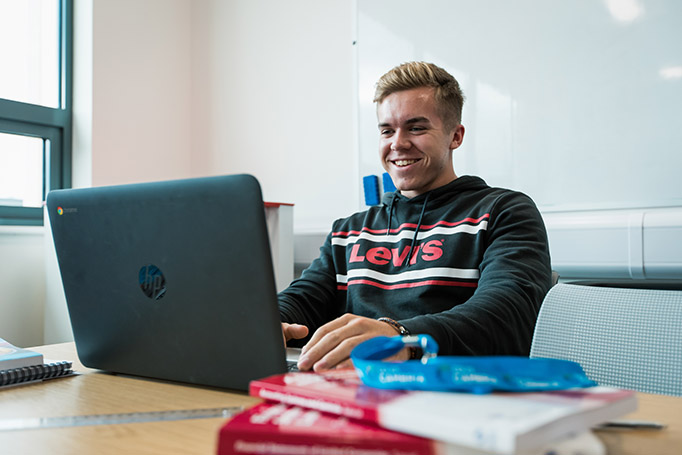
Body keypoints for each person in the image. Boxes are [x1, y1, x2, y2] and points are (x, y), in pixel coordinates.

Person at [279, 61, 552, 372]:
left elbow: (508, 315)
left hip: (458, 396)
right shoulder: (350, 230)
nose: (398, 143)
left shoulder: (504, 211)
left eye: (416, 127)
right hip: (355, 390)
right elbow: (302, 299)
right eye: (387, 130)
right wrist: (269, 322)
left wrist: (402, 338)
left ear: (455, 136)